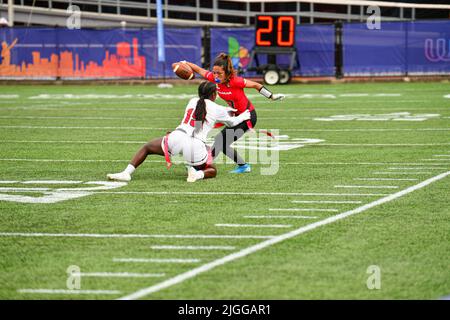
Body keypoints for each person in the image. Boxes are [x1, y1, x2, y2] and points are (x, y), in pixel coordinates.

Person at [107, 81, 251, 183]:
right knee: (212, 169)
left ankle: (126, 173)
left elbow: (202, 112)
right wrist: (244, 115)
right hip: (195, 144)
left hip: (177, 136)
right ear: (214, 94)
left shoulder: (193, 101)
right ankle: (196, 174)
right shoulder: (217, 108)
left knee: (147, 147)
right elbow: (232, 122)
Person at [181, 53, 285, 174]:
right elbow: (198, 69)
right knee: (221, 142)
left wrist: (271, 96)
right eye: (214, 72)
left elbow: (256, 85)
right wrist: (185, 63)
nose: (215, 76)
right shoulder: (214, 79)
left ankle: (201, 166)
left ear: (227, 72)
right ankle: (243, 166)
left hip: (248, 117)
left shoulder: (236, 81)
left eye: (219, 73)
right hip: (235, 117)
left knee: (220, 141)